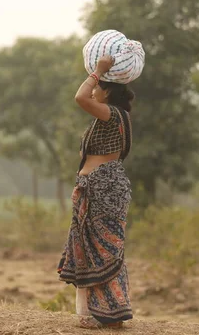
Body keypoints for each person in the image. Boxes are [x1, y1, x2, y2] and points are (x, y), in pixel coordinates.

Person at [57, 54, 135, 329]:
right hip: (95, 188)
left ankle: (107, 314)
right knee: (87, 248)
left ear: (108, 91)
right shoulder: (106, 119)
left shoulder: (112, 113)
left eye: (98, 87)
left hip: (103, 190)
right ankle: (90, 314)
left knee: (103, 250)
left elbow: (80, 97)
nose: (93, 90)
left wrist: (97, 71)